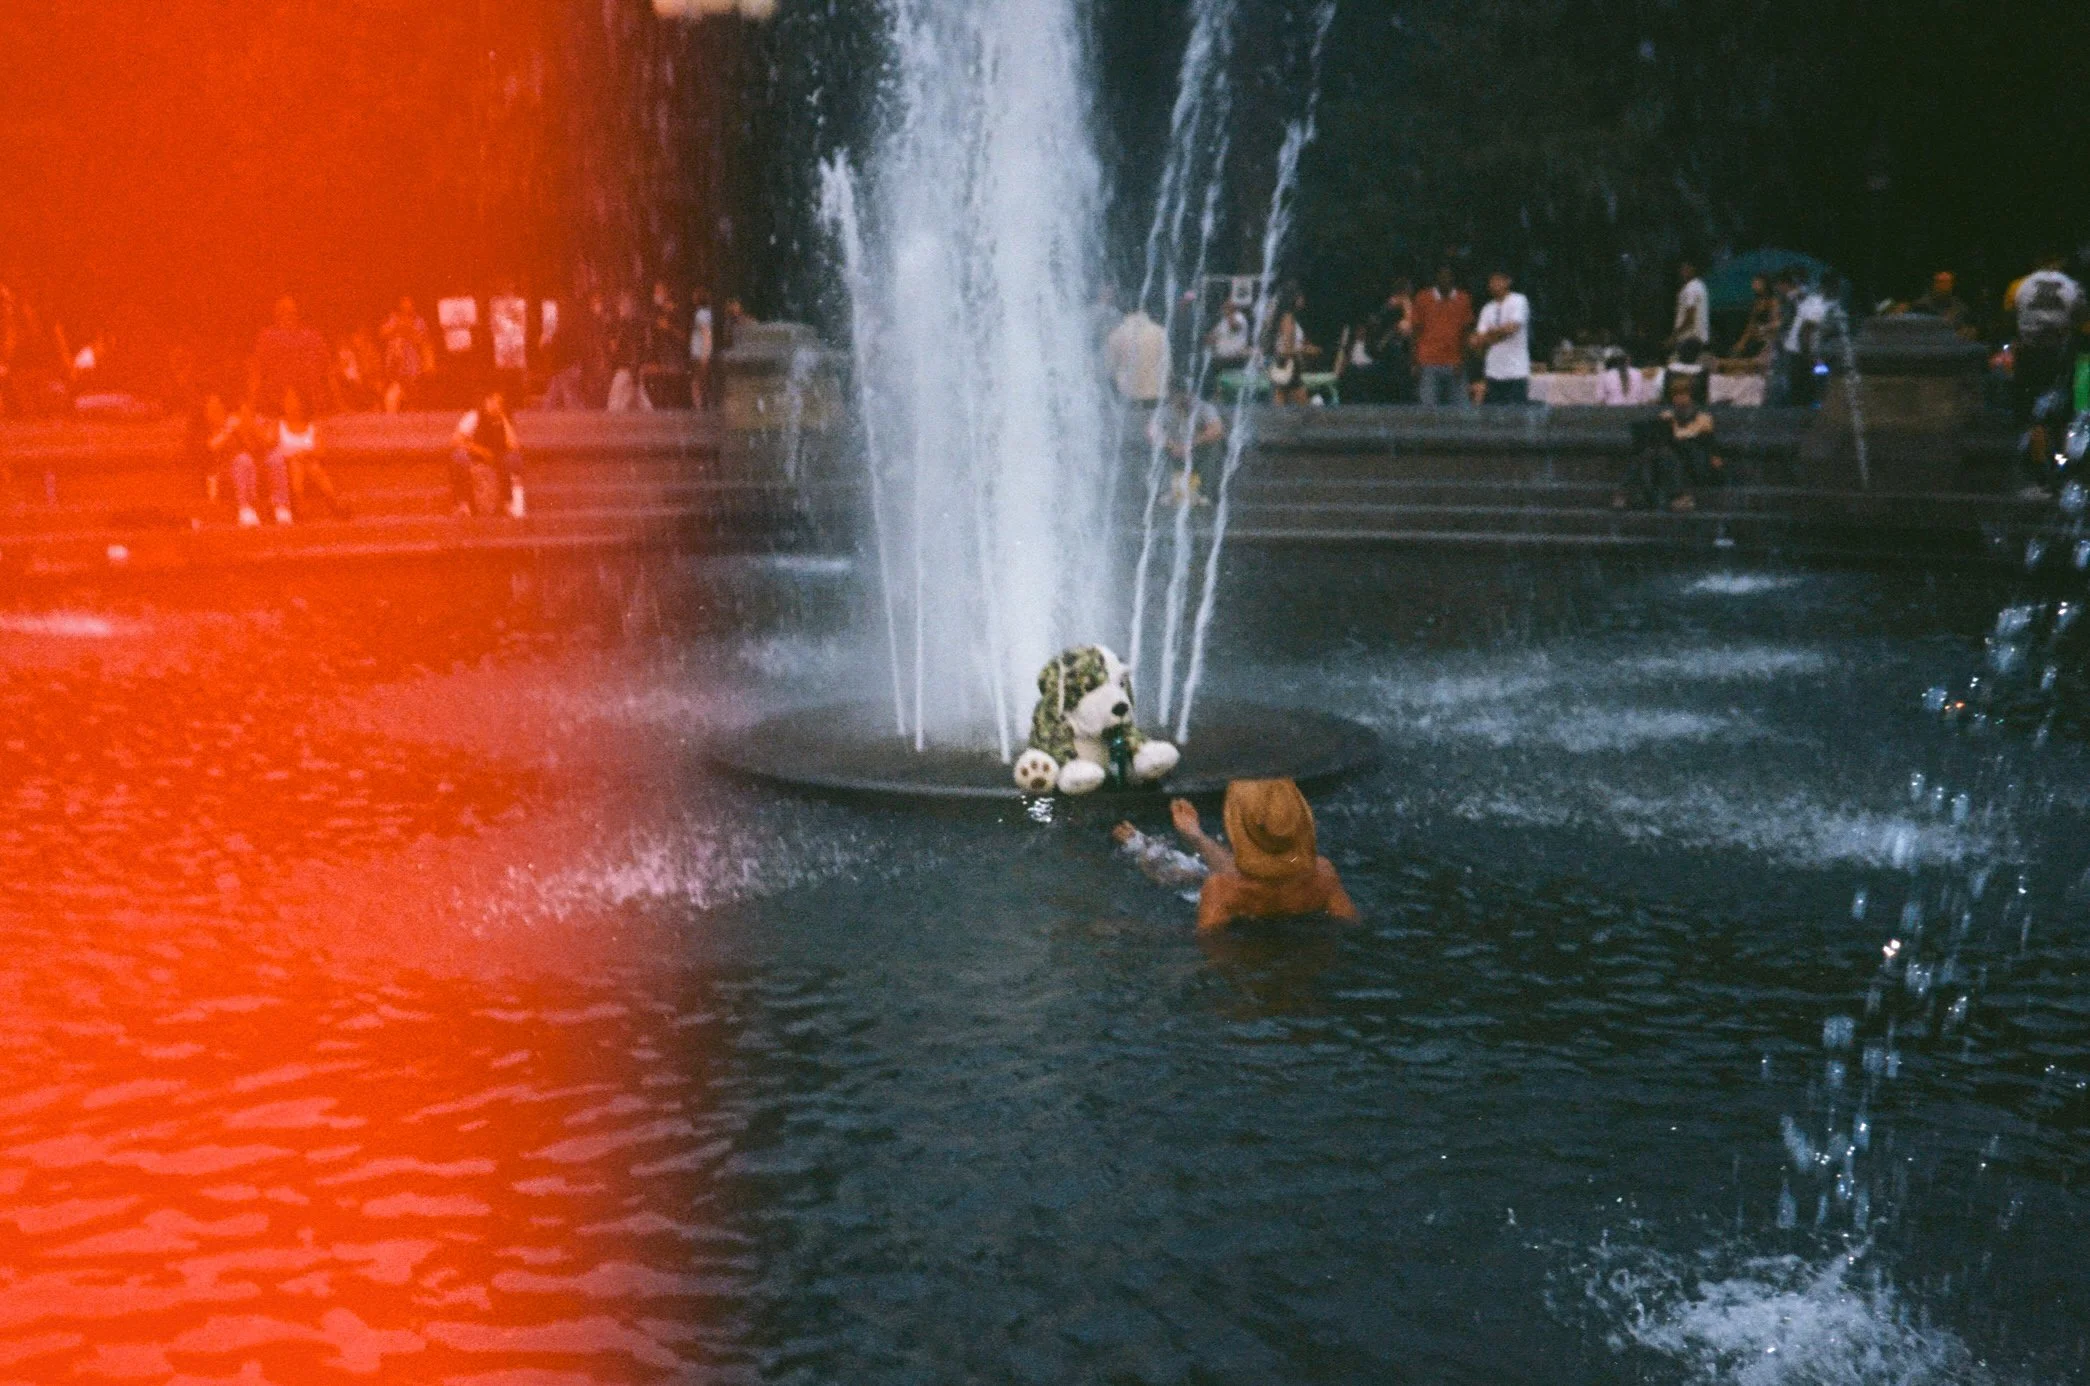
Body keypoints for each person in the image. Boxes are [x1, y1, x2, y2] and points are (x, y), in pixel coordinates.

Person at [1145, 781, 1357, 931]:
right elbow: (1351, 924)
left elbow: (1207, 948)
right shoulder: (1323, 874)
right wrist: (1196, 836)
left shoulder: (1221, 890)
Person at [1615, 374, 1724, 512]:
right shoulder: (1666, 416)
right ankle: (1625, 494)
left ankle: (1681, 496)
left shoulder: (1704, 418)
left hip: (1692, 461)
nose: (1679, 399)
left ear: (1691, 396)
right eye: (1676, 395)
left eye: (1684, 394)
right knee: (1649, 452)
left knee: (1665, 453)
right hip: (1668, 460)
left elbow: (1708, 445)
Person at [2013, 252, 2083, 462]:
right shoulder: (2070, 285)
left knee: (2032, 409)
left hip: (2029, 351)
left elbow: (2012, 313)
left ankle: (2036, 460)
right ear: (2059, 262)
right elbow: (2080, 315)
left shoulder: (2023, 285)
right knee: (2059, 410)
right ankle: (2060, 457)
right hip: (2058, 352)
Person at [209, 394, 290, 527]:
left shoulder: (262, 422)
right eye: (243, 410)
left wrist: (253, 428)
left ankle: (281, 507)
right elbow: (213, 445)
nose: (246, 412)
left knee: (276, 458)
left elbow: (270, 441)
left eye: (250, 409)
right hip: (234, 467)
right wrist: (232, 429)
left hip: (259, 464)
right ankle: (246, 508)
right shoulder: (230, 422)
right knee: (243, 459)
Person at [269, 387, 349, 520]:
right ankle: (299, 501)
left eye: (294, 400)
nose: (290, 404)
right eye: (287, 400)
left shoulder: (312, 427)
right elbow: (269, 445)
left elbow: (321, 451)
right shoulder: (279, 424)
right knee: (297, 465)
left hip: (309, 464)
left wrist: (305, 453)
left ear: (302, 403)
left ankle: (333, 500)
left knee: (312, 466)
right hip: (286, 466)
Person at [253, 296, 336, 415]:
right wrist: (253, 402)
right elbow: (258, 370)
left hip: (310, 401)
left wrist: (335, 399)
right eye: (283, 312)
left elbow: (327, 369)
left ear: (298, 313)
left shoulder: (312, 336)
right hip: (277, 402)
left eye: (292, 312)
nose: (287, 316)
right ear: (276, 315)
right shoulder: (267, 337)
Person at [450, 389, 526, 518]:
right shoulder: (474, 416)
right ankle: (463, 504)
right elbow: (455, 440)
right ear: (487, 401)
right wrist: (478, 450)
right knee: (458, 456)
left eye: (500, 403)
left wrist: (503, 418)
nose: (497, 405)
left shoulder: (505, 419)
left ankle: (511, 503)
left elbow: (513, 445)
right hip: (476, 456)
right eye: (494, 402)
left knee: (514, 459)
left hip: (498, 456)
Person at [1147, 382, 1225, 504]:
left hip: (1197, 452)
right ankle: (1166, 491)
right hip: (1173, 452)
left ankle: (1204, 492)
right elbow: (1152, 432)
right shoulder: (1165, 411)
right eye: (1180, 394)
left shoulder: (1204, 408)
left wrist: (1190, 445)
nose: (1185, 398)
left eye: (1188, 394)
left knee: (1215, 446)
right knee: (1156, 449)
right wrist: (1172, 445)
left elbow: (1216, 429)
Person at [1409, 262, 1474, 406]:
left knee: (1461, 412)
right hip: (1427, 363)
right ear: (1435, 277)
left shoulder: (1463, 299)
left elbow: (1466, 333)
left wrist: (1463, 360)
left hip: (1455, 364)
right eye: (1442, 275)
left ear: (1454, 278)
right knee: (1429, 412)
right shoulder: (1422, 298)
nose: (1445, 279)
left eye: (1448, 275)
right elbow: (1415, 332)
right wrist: (1414, 362)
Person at [1472, 270, 1531, 405]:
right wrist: (1497, 334)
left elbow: (1512, 328)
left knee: (1516, 418)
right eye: (1491, 281)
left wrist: (1491, 334)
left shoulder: (1519, 300)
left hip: (1516, 372)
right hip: (1493, 372)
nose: (1494, 284)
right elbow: (1478, 340)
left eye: (1498, 280)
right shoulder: (1487, 308)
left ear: (1507, 282)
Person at [1105, 304, 1169, 407]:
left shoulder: (1116, 334)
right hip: (1156, 394)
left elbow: (1110, 368)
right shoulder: (1160, 332)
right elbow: (1167, 364)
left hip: (1128, 395)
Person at [1781, 274, 1829, 407]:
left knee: (1799, 392)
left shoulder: (1813, 300)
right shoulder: (1818, 304)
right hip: (1801, 353)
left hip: (1797, 351)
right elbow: (1805, 334)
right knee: (1804, 393)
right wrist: (1811, 359)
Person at [379, 297, 432, 413]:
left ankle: (411, 409)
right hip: (395, 359)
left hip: (412, 359)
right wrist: (396, 327)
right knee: (396, 383)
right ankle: (393, 409)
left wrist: (408, 330)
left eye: (409, 303)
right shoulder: (393, 318)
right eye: (404, 302)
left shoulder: (419, 321)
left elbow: (422, 340)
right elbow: (383, 333)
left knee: (412, 385)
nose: (407, 305)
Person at [1266, 288, 1317, 406]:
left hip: (1285, 364)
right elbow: (1287, 349)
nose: (1302, 299)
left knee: (1281, 399)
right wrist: (1307, 350)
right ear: (1293, 299)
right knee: (1301, 403)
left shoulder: (1288, 318)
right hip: (1288, 364)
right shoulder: (1288, 318)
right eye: (1300, 297)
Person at [1729, 274, 1782, 364]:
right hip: (1756, 339)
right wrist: (1742, 342)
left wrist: (1765, 329)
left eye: (1757, 282)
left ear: (1765, 284)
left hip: (1767, 341)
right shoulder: (1757, 301)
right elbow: (1751, 324)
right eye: (1753, 282)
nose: (1754, 285)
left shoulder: (1773, 301)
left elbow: (1776, 322)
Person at [1668, 258, 1711, 357]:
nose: (1683, 272)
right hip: (1700, 339)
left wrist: (1674, 335)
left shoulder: (1690, 288)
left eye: (1686, 268)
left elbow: (1690, 317)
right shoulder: (1701, 286)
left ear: (1693, 269)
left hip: (1689, 341)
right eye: (1682, 269)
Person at [1206, 299, 1252, 377]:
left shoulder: (1239, 317)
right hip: (1220, 359)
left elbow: (1234, 327)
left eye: (1227, 306)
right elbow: (1212, 337)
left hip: (1233, 360)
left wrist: (1229, 313)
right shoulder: (1223, 321)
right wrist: (1210, 338)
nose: (1223, 307)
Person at [688, 286, 716, 409]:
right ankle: (703, 405)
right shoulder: (706, 313)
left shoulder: (701, 314)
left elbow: (706, 335)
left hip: (700, 354)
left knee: (699, 381)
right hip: (700, 353)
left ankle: (701, 406)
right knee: (701, 381)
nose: (693, 297)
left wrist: (705, 354)